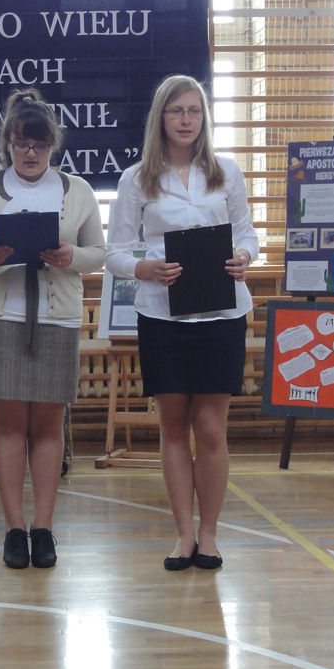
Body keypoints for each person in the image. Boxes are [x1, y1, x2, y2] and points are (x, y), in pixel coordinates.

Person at [106, 74, 258, 572]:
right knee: (172, 425)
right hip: (161, 313)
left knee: (210, 427)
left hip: (221, 311)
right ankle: (184, 534)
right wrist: (145, 268)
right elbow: (115, 252)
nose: (186, 120)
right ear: (161, 118)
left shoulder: (226, 171)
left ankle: (209, 533)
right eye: (176, 111)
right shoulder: (136, 178)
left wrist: (243, 257)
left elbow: (247, 236)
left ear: (204, 118)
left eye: (194, 111)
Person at [0, 88, 106, 570]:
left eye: (39, 145)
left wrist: (69, 256)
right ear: (7, 145)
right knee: (7, 424)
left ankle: (44, 527)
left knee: (49, 423)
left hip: (56, 317)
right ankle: (14, 529)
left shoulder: (77, 191)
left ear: (53, 145)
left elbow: (98, 254)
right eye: (21, 144)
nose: (30, 153)